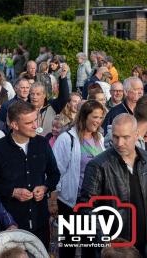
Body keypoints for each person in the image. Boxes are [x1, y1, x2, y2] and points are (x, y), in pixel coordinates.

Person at [0, 101, 60, 249]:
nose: (35, 125)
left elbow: (54, 174)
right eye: (29, 122)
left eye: (35, 120)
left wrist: (45, 188)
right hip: (11, 223)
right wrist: (12, 192)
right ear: (14, 125)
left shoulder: (42, 144)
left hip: (40, 220)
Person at [79, 114, 147, 257]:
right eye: (115, 137)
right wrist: (105, 243)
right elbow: (86, 208)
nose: (119, 143)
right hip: (117, 250)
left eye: (125, 137)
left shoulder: (145, 160)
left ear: (137, 135)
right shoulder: (98, 165)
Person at [52, 100, 106, 258]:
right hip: (71, 202)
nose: (98, 121)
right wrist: (54, 197)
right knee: (69, 247)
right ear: (84, 116)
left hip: (93, 203)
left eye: (101, 117)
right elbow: (56, 171)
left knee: (90, 247)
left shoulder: (100, 138)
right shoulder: (66, 139)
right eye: (95, 116)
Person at [30, 64, 69, 136]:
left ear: (44, 95)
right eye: (32, 94)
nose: (34, 97)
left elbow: (64, 98)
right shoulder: (25, 108)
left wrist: (63, 77)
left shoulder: (52, 105)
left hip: (49, 143)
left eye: (38, 94)